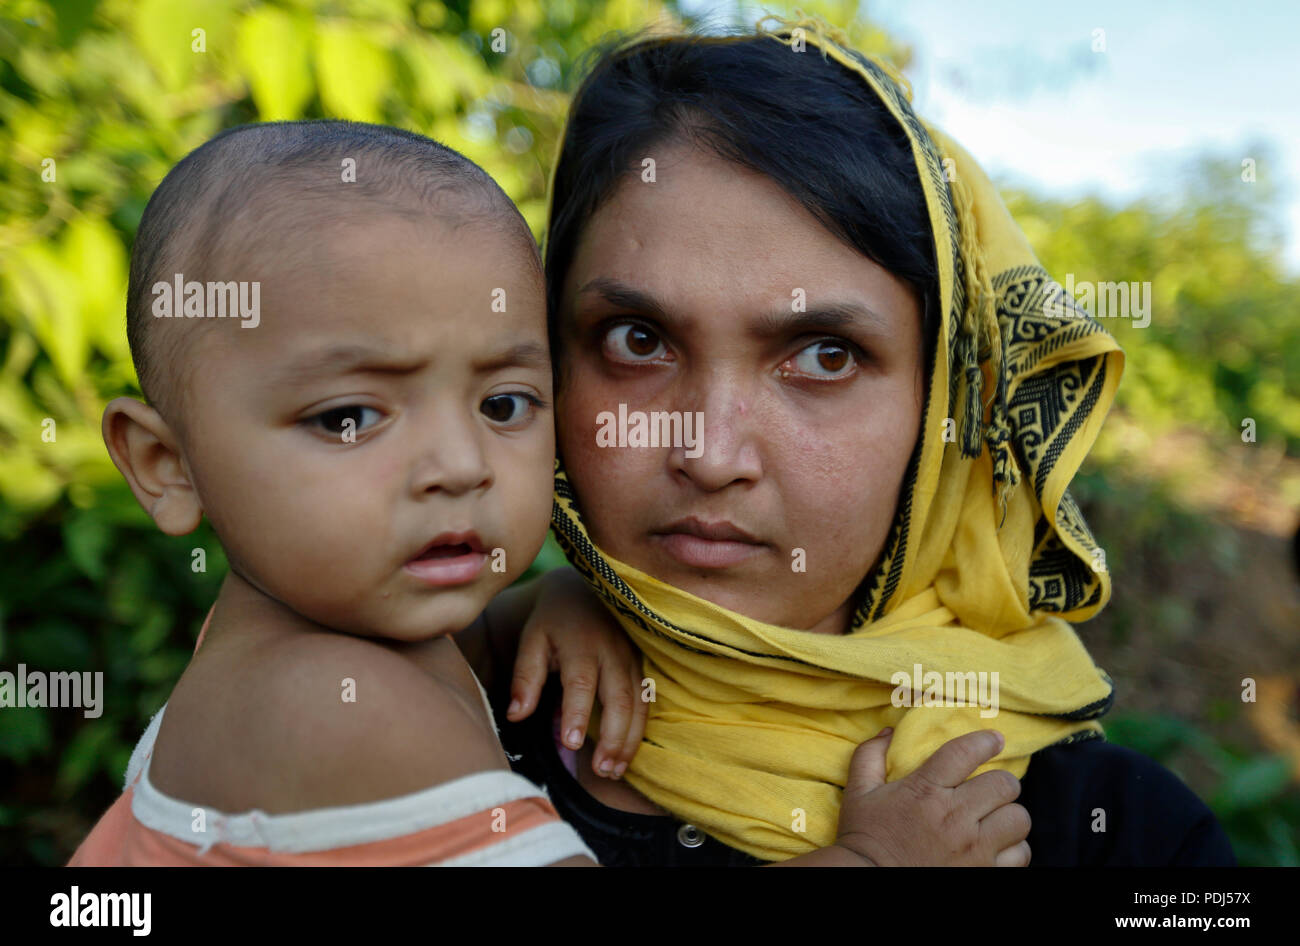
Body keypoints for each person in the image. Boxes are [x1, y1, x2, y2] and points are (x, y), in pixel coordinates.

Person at [67, 117, 988, 868]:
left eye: (504, 403)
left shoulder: (297, 640)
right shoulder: (335, 713)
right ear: (165, 464)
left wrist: (547, 599)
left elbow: (443, 662)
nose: (460, 466)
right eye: (349, 418)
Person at [489, 17, 1237, 866]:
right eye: (637, 339)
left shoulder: (1131, 838)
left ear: (944, 406)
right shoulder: (434, 734)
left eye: (824, 356)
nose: (711, 454)